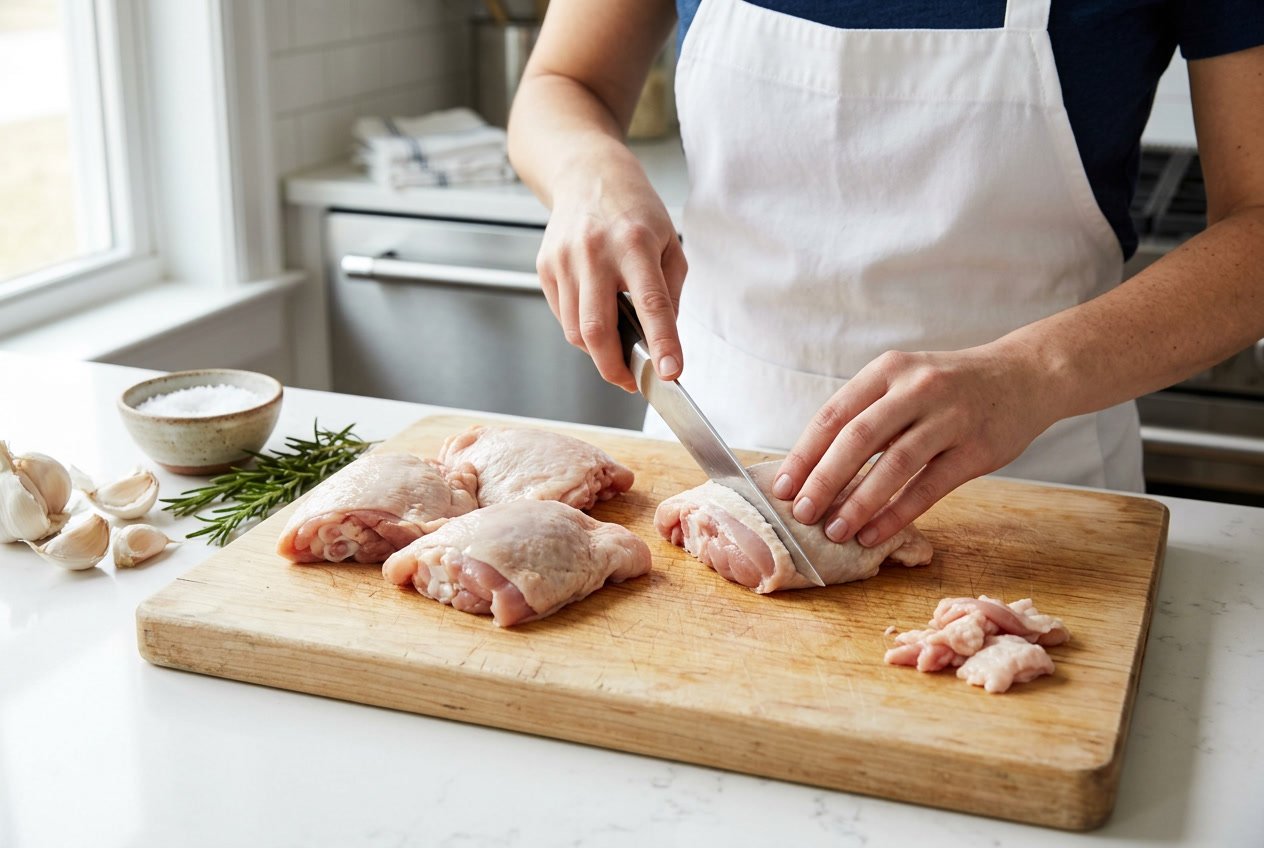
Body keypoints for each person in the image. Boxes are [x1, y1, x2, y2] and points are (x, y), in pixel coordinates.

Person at [506, 0, 1264, 550]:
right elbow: (565, 82)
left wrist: (1033, 373)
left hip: (1036, 491)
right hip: (709, 463)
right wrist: (588, 173)